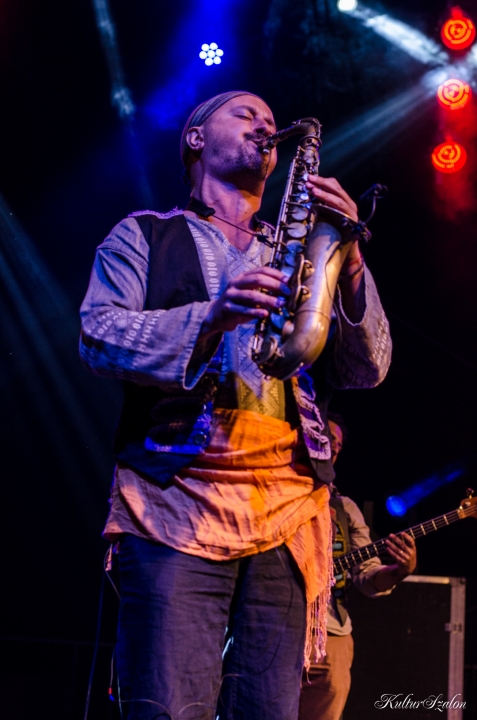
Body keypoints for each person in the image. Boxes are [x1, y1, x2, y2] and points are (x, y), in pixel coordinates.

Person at [79, 91, 392, 720]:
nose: (265, 125)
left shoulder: (297, 251)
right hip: (174, 500)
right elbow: (98, 334)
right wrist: (209, 318)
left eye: (270, 120)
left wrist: (351, 258)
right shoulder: (142, 233)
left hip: (287, 511)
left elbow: (367, 368)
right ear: (195, 138)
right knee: (169, 708)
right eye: (244, 114)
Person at [298, 414, 417, 720]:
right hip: (278, 627)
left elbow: (366, 575)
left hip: (331, 637)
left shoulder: (344, 508)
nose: (334, 446)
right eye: (328, 437)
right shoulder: (272, 494)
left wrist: (399, 571)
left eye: (338, 444)